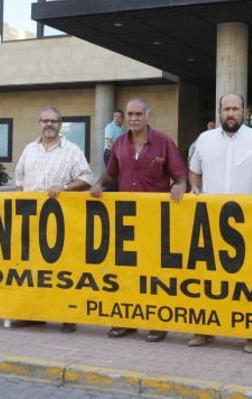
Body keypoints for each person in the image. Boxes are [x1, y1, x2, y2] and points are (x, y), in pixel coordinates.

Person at [90, 97, 187, 342]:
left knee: (155, 273)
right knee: (126, 271)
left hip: (155, 221)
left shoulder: (164, 143)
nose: (133, 118)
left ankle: (157, 322)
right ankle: (126, 321)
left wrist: (180, 186)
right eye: (130, 114)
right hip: (126, 218)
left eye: (138, 114)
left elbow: (179, 175)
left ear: (147, 115)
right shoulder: (120, 143)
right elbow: (111, 174)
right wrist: (99, 184)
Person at [188, 92, 252, 353]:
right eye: (226, 109)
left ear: (243, 111)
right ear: (219, 111)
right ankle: (204, 331)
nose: (230, 113)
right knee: (208, 279)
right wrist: (195, 187)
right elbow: (194, 170)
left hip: (249, 224)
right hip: (210, 221)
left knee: (249, 281)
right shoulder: (204, 140)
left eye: (235, 109)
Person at [8, 106, 95, 332]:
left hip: (61, 221)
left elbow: (87, 178)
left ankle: (67, 316)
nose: (49, 125)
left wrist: (65, 187)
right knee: (32, 269)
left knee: (63, 270)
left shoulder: (72, 150)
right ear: (39, 123)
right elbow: (19, 179)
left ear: (60, 125)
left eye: (53, 121)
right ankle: (34, 314)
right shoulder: (29, 149)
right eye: (45, 121)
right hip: (30, 219)